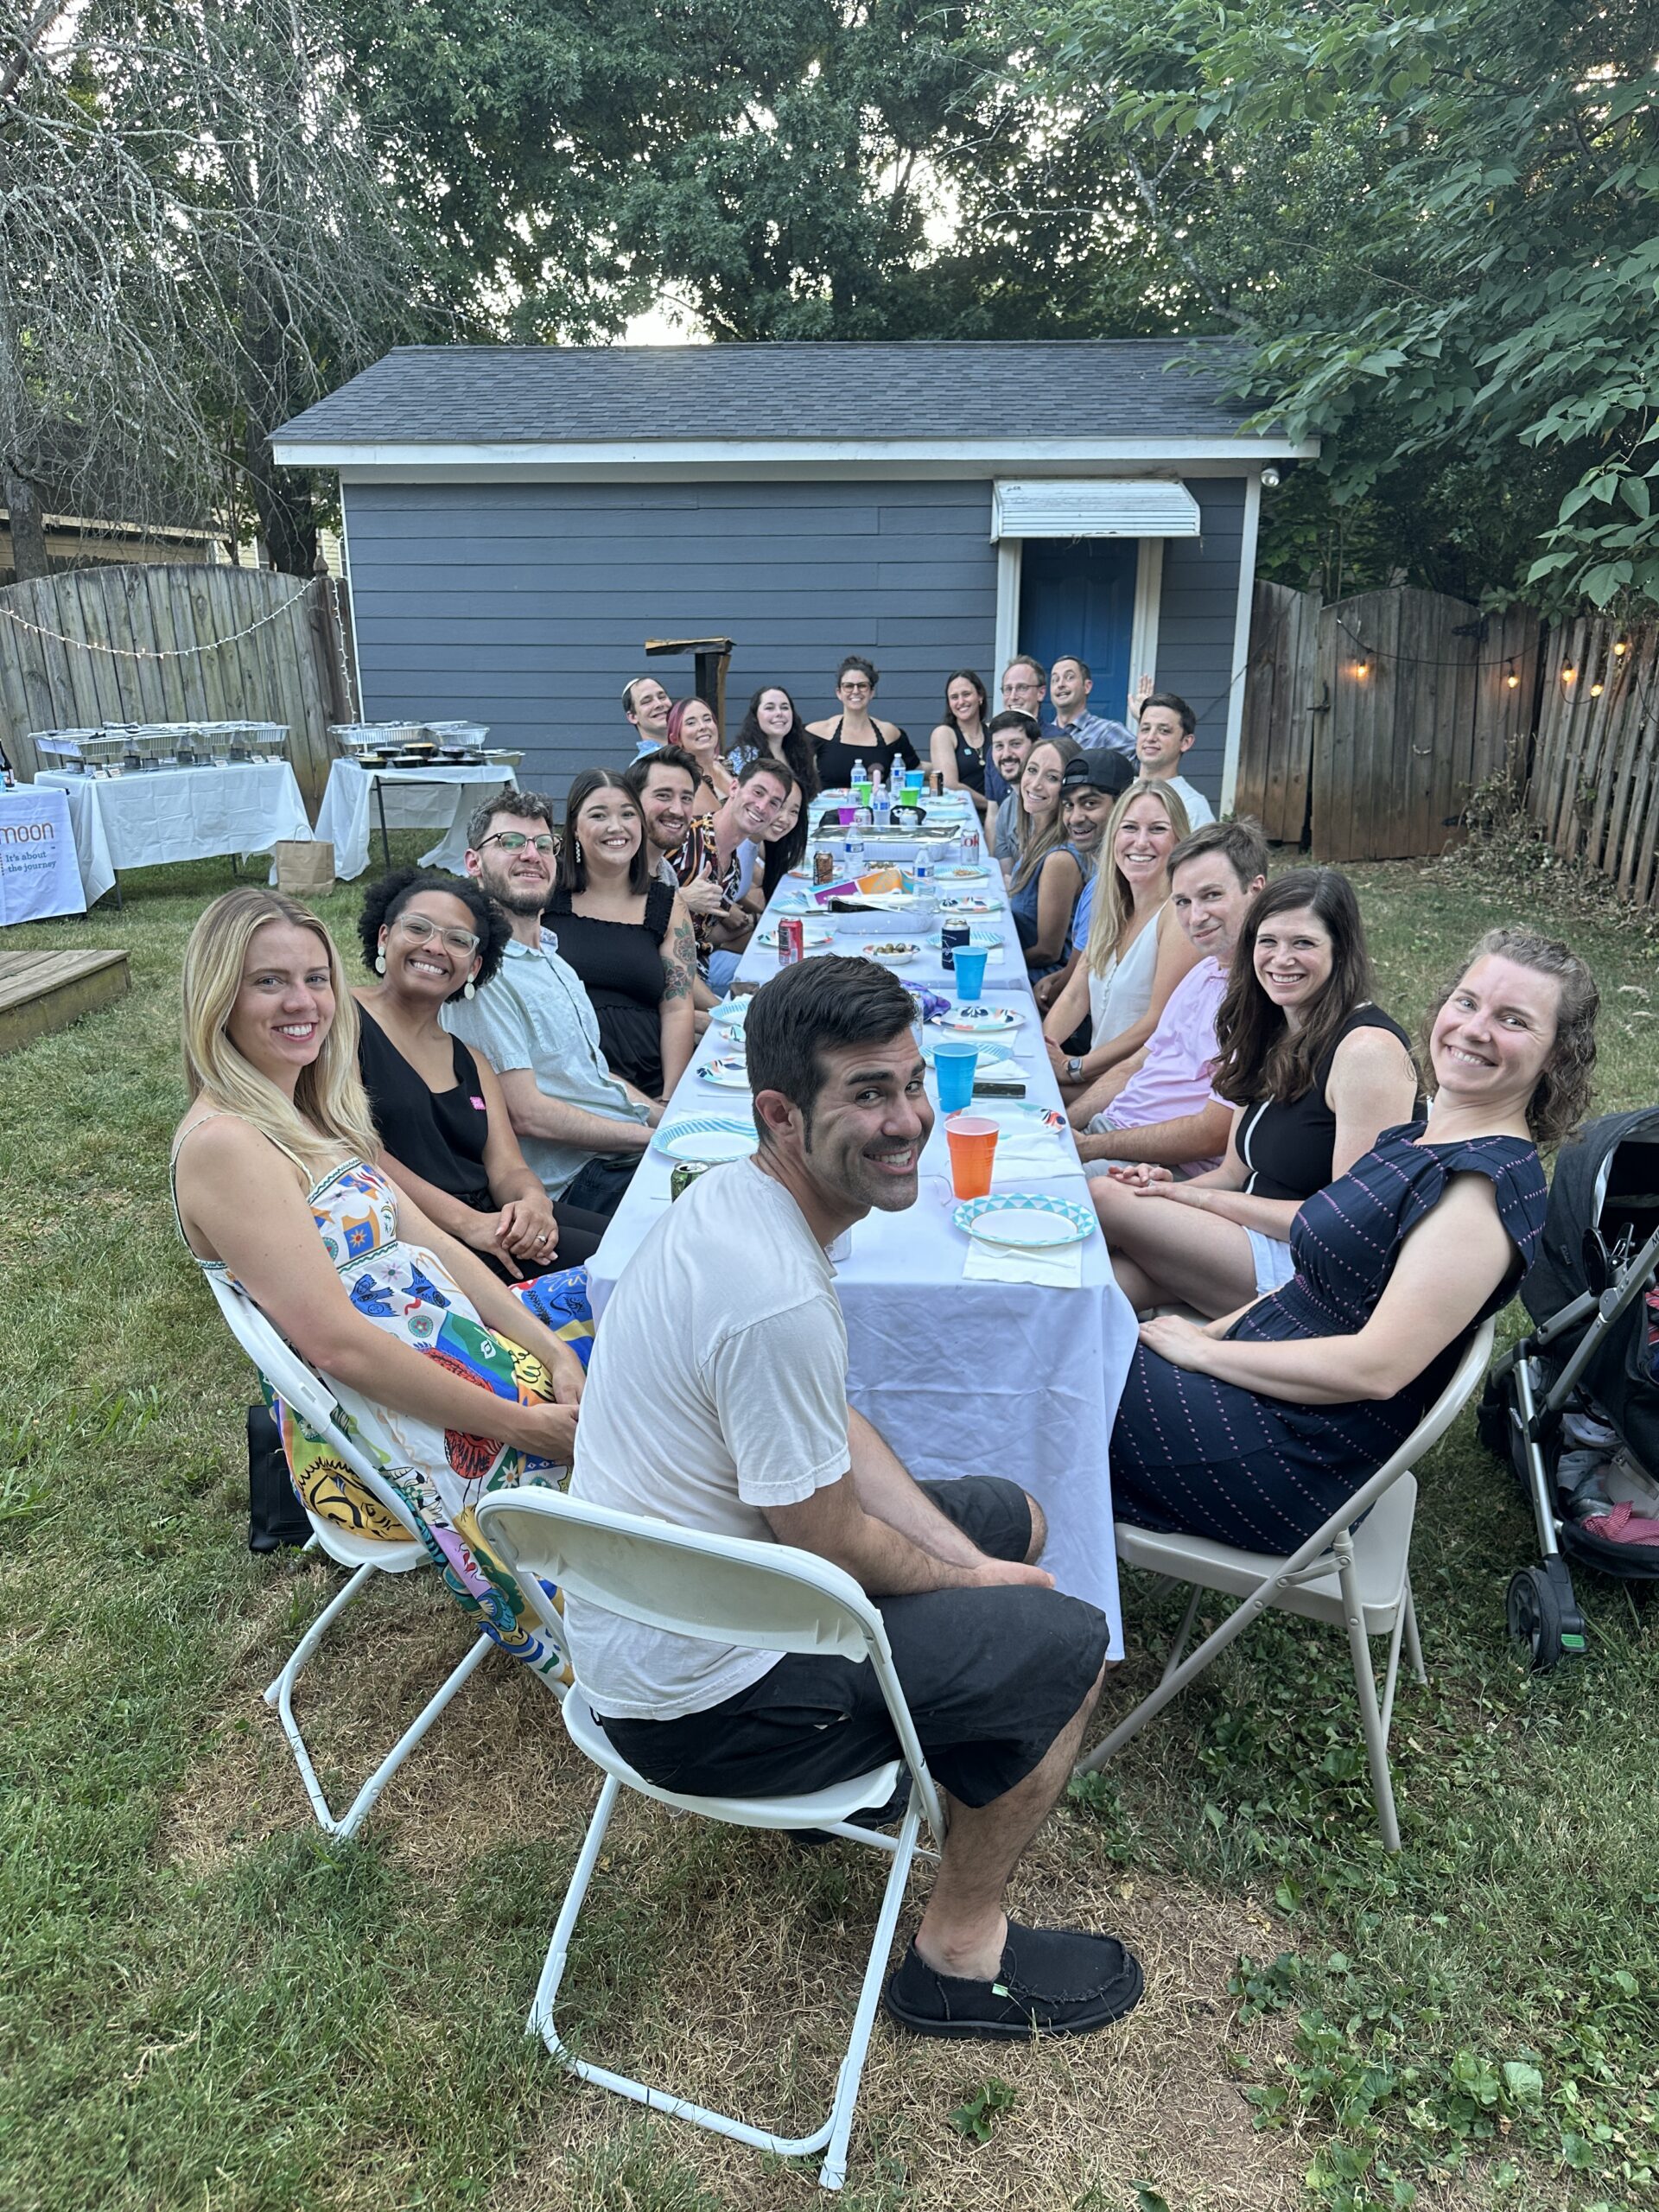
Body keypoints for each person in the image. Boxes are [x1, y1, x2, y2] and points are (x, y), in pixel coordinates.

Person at [564, 956, 1143, 2040]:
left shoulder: (739, 1201)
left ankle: (927, 1744)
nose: (908, 1119)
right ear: (780, 1112)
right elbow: (829, 1539)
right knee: (1068, 1639)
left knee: (1010, 1516)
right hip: (699, 1704)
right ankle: (959, 1957)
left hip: (676, 1617)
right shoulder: (771, 1288)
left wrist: (973, 1563)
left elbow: (830, 1429)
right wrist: (982, 1590)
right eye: (868, 1094)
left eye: (913, 1083)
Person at [171, 888, 590, 1680]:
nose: (303, 1003)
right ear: (219, 994)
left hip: (442, 1344)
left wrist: (547, 1346)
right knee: (640, 1390)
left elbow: (438, 1244)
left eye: (316, 979)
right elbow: (337, 1344)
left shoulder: (312, 1115)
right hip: (378, 1423)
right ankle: (650, 1608)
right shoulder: (227, 1143)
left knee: (627, 1322)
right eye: (269, 982)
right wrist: (519, 1424)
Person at [1111, 926, 1593, 1550]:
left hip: (1294, 1457)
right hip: (1261, 1395)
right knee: (1070, 1344)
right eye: (1468, 1002)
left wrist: (1203, 1353)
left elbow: (1377, 1368)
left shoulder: (1478, 1191)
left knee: (1060, 1376)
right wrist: (1208, 1328)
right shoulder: (1416, 1140)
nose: (1475, 1029)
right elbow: (1313, 1285)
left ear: (1556, 1054)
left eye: (1514, 1020)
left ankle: (1025, 1590)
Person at [1095, 868, 1421, 1314]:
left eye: (1303, 943)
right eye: (1267, 942)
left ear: (1341, 950)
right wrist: (1164, 1187)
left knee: (1100, 1196)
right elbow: (1233, 1173)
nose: (1280, 959)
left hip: (1306, 1268)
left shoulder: (1367, 1051)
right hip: (1243, 1239)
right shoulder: (1270, 1028)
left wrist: (1196, 1198)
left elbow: (1344, 1223)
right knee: (1095, 1285)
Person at [353, 868, 613, 1274]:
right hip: (421, 1239)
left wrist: (533, 1204)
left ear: (474, 967)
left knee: (645, 1243)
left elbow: (507, 1167)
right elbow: (355, 1150)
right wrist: (470, 1224)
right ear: (385, 937)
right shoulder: (342, 1024)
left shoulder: (471, 1060)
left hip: (498, 1224)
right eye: (418, 928)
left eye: (457, 940)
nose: (436, 947)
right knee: (629, 1272)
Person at [448, 791, 659, 1218]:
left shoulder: (552, 957)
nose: (532, 855)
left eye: (543, 845)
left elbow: (593, 1075)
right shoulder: (483, 973)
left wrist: (663, 1114)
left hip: (618, 1152)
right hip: (576, 1184)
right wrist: (651, 1138)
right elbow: (527, 1114)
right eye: (510, 843)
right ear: (474, 863)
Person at [1074, 817, 1269, 1173]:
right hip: (1110, 1133)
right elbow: (1137, 1064)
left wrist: (1089, 1147)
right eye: (1182, 901)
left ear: (1255, 890)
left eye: (1212, 895)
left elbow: (1211, 1133)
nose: (1196, 917)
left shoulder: (1261, 997)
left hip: (1161, 1167)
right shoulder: (1205, 970)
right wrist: (1062, 1127)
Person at [545, 770, 697, 1103]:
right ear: (574, 828)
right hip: (570, 1082)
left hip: (651, 1081)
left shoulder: (668, 906)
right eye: (599, 815)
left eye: (628, 814)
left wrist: (670, 1098)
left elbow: (677, 1007)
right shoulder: (546, 895)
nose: (617, 827)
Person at [1042, 779, 1196, 1090]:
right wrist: (1044, 1052)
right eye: (1129, 828)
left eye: (1157, 829)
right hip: (1093, 1078)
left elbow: (1156, 1023)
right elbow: (1074, 996)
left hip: (1136, 1089)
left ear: (1180, 841)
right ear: (1114, 836)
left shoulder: (1177, 918)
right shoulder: (1113, 907)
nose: (1140, 842)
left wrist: (1075, 1067)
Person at [1034, 752, 1151, 1017]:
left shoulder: (1109, 886)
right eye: (1068, 805)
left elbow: (1076, 989)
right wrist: (1060, 976)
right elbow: (1093, 964)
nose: (1075, 817)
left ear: (1124, 805)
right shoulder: (1101, 875)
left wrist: (1046, 993)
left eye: (1089, 804)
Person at [682, 756, 796, 993]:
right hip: (669, 985)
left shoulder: (734, 865)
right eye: (757, 792)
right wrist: (681, 898)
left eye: (774, 803)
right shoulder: (685, 838)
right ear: (734, 787)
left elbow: (702, 937)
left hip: (698, 973)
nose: (763, 806)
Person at [1007, 734, 1088, 979]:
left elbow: (1048, 952)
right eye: (1032, 770)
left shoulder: (1059, 859)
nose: (1035, 784)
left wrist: (993, 961)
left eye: (1052, 777)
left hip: (1040, 978)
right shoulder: (1034, 836)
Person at [807, 654, 919, 788]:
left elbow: (916, 767)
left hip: (876, 807)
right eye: (848, 686)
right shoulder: (818, 731)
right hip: (828, 808)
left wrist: (945, 767)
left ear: (872, 692)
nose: (855, 691)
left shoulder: (889, 733)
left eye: (862, 686)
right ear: (839, 693)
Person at [623, 744, 702, 892]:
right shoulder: (610, 872)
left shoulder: (667, 874)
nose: (677, 810)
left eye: (686, 798)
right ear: (632, 799)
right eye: (664, 796)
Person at [1135, 690, 1215, 827]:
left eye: (1164, 730)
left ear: (1185, 742)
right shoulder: (1119, 792)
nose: (1150, 738)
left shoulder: (1192, 806)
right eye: (1145, 729)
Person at [729, 683, 820, 800]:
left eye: (784, 707)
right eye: (769, 708)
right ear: (755, 716)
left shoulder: (799, 752)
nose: (779, 713)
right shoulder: (743, 755)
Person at [928, 669, 994, 818]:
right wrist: (993, 805)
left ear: (980, 696)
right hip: (962, 818)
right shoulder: (944, 734)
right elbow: (951, 785)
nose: (961, 702)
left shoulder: (994, 732)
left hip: (997, 819)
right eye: (954, 697)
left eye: (966, 694)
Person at [737, 778, 807, 916]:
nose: (784, 819)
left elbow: (735, 896)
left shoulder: (755, 843)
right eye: (779, 806)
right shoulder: (731, 843)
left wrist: (762, 916)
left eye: (793, 811)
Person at [1048, 655, 1136, 758]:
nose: (1060, 684)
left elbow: (1145, 762)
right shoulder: (1042, 735)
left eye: (1069, 677)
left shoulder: (1106, 732)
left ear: (1087, 687)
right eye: (1055, 679)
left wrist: (1144, 718)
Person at [984, 709, 1039, 870]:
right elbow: (1005, 874)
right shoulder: (1006, 810)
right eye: (999, 746)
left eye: (1015, 744)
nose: (1006, 754)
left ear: (1037, 746)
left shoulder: (1048, 805)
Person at [666, 696, 734, 812]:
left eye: (707, 719)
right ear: (676, 739)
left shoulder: (725, 765)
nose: (703, 727)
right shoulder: (687, 780)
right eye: (691, 723)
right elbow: (718, 825)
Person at [623, 673, 674, 757]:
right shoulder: (644, 766)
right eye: (647, 701)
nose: (659, 704)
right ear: (632, 717)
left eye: (662, 697)